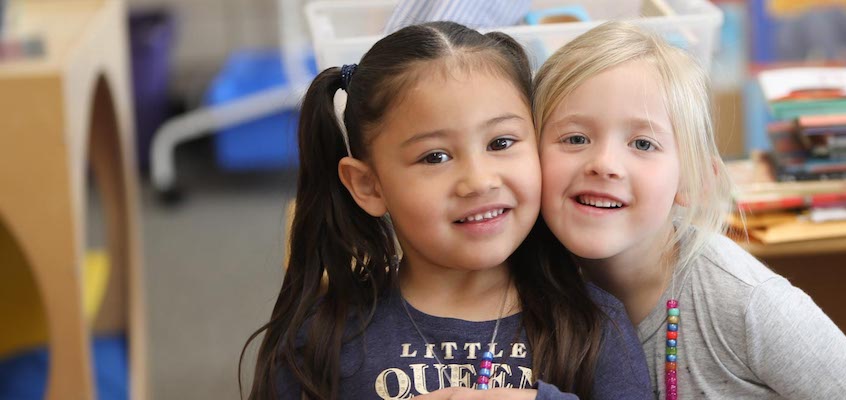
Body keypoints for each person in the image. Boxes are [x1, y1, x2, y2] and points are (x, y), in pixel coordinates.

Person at [242, 21, 650, 400]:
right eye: (435, 156)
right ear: (368, 185)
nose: (479, 180)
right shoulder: (321, 339)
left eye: (501, 143)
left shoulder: (594, 326)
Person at [533, 21, 846, 399]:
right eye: (575, 138)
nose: (605, 163)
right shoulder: (520, 287)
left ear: (693, 180)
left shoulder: (748, 303)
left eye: (642, 144)